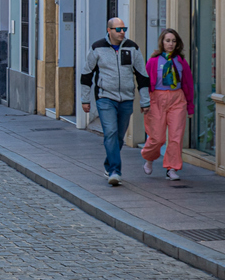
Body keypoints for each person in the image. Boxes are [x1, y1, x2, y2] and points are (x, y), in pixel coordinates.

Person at [81, 17, 151, 186]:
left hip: (126, 98)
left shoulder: (132, 48)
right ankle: (115, 171)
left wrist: (145, 100)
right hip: (105, 98)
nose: (122, 32)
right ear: (109, 30)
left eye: (123, 29)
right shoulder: (97, 48)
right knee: (110, 132)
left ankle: (108, 164)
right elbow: (86, 74)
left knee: (119, 136)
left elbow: (142, 75)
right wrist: (85, 99)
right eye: (118, 29)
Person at [142, 28, 194, 181]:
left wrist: (190, 106)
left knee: (176, 136)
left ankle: (172, 168)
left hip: (177, 98)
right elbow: (145, 83)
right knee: (157, 137)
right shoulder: (153, 61)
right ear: (162, 42)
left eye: (173, 41)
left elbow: (188, 84)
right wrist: (145, 102)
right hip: (157, 98)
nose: (170, 44)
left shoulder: (181, 61)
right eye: (167, 41)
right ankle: (149, 158)